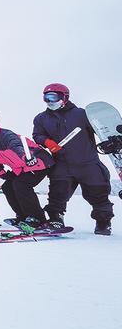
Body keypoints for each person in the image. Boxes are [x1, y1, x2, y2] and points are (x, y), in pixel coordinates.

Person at [32, 83, 113, 235]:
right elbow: (37, 135)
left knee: (98, 193)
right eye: (46, 97)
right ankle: (56, 219)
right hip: (62, 164)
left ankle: (103, 222)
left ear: (64, 97)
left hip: (87, 162)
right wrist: (47, 142)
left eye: (53, 97)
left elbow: (100, 130)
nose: (49, 101)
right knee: (57, 194)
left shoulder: (82, 114)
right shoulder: (41, 118)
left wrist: (109, 141)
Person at [0, 112, 53, 231]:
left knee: (21, 185)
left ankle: (37, 218)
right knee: (7, 187)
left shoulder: (5, 135)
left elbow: (16, 146)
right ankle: (23, 216)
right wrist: (1, 173)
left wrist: (26, 158)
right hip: (21, 167)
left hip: (38, 162)